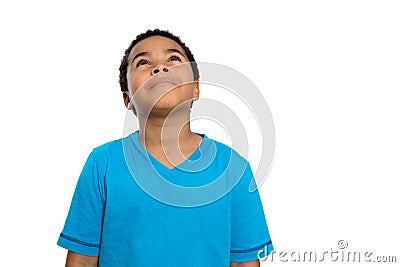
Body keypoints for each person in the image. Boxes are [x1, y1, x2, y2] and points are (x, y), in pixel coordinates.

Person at [57, 29, 273, 266]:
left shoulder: (234, 169)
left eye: (174, 59)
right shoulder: (102, 163)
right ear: (127, 99)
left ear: (195, 89)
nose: (160, 67)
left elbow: (244, 263)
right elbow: (83, 261)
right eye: (143, 62)